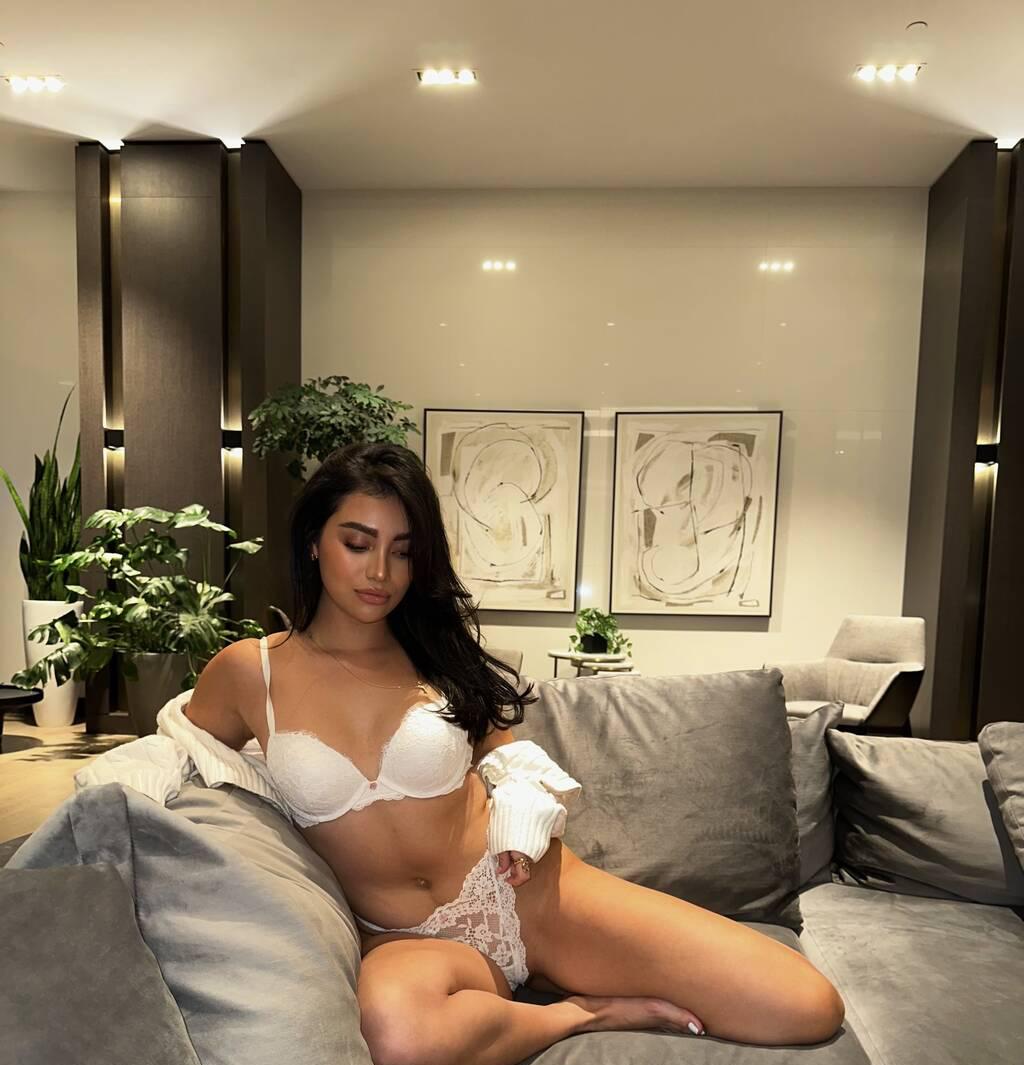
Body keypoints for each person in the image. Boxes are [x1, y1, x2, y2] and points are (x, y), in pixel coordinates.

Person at [184, 441, 845, 1064]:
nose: (380, 571)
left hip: (527, 894)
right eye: (357, 543)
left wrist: (522, 819)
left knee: (806, 1005)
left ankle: (554, 972)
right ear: (313, 541)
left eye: (403, 551)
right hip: (408, 939)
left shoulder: (436, 654)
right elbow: (175, 758)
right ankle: (582, 1013)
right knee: (398, 1036)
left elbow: (512, 762)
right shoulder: (249, 672)